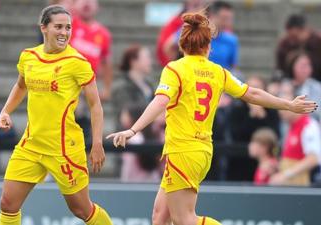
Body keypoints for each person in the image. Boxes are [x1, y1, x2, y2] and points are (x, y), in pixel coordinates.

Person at [107, 11, 317, 225]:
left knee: (184, 219)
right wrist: (288, 104)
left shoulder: (175, 69)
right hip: (201, 151)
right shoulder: (218, 72)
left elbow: (160, 101)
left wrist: (133, 130)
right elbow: (252, 94)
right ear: (208, 46)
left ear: (182, 44)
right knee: (159, 216)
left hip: (183, 151)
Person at [0, 5, 112, 225]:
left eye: (68, 27)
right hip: (31, 144)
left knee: (81, 209)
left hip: (63, 148)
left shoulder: (77, 63)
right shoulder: (28, 56)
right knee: (7, 203)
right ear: (44, 28)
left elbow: (95, 105)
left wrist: (97, 143)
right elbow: (21, 86)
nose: (64, 32)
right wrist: (5, 111)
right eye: (58, 27)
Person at [270, 81, 321, 186]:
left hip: (303, 185)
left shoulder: (309, 125)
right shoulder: (290, 126)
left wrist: (285, 175)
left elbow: (313, 159)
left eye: (285, 107)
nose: (281, 112)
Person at [276, 14, 321, 81]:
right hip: (291, 82)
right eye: (290, 36)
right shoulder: (285, 44)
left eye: (295, 36)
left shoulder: (316, 42)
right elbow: (280, 68)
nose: (292, 40)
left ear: (304, 30)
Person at [288, 50, 321, 120]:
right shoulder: (285, 85)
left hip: (310, 125)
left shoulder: (317, 87)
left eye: (308, 65)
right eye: (302, 65)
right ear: (293, 66)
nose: (305, 69)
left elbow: (317, 111)